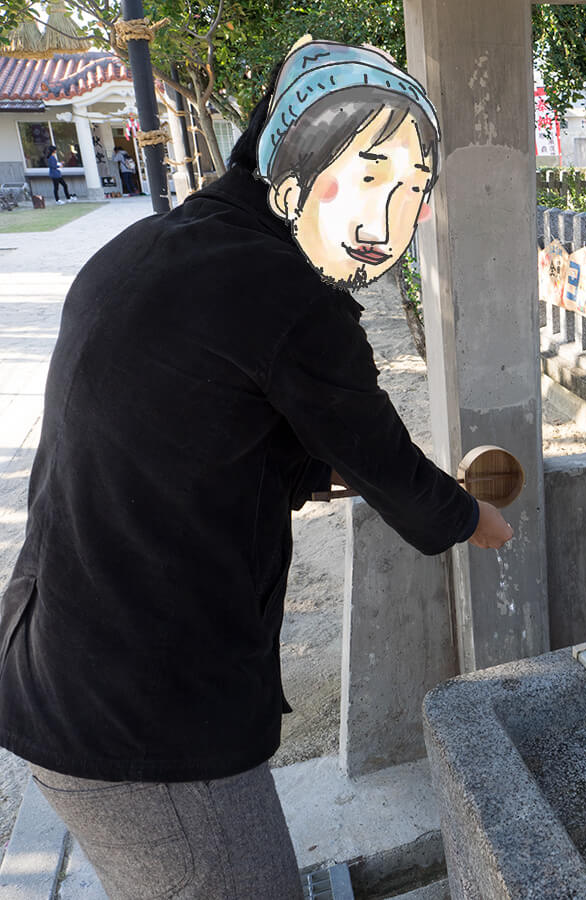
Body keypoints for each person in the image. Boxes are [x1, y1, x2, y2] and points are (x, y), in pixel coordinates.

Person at [0, 38, 513, 899]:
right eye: (370, 170)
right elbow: (383, 460)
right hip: (145, 727)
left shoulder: (155, 246)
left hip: (55, 665)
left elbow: (223, 439)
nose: (391, 213)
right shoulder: (286, 294)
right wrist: (472, 517)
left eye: (410, 186)